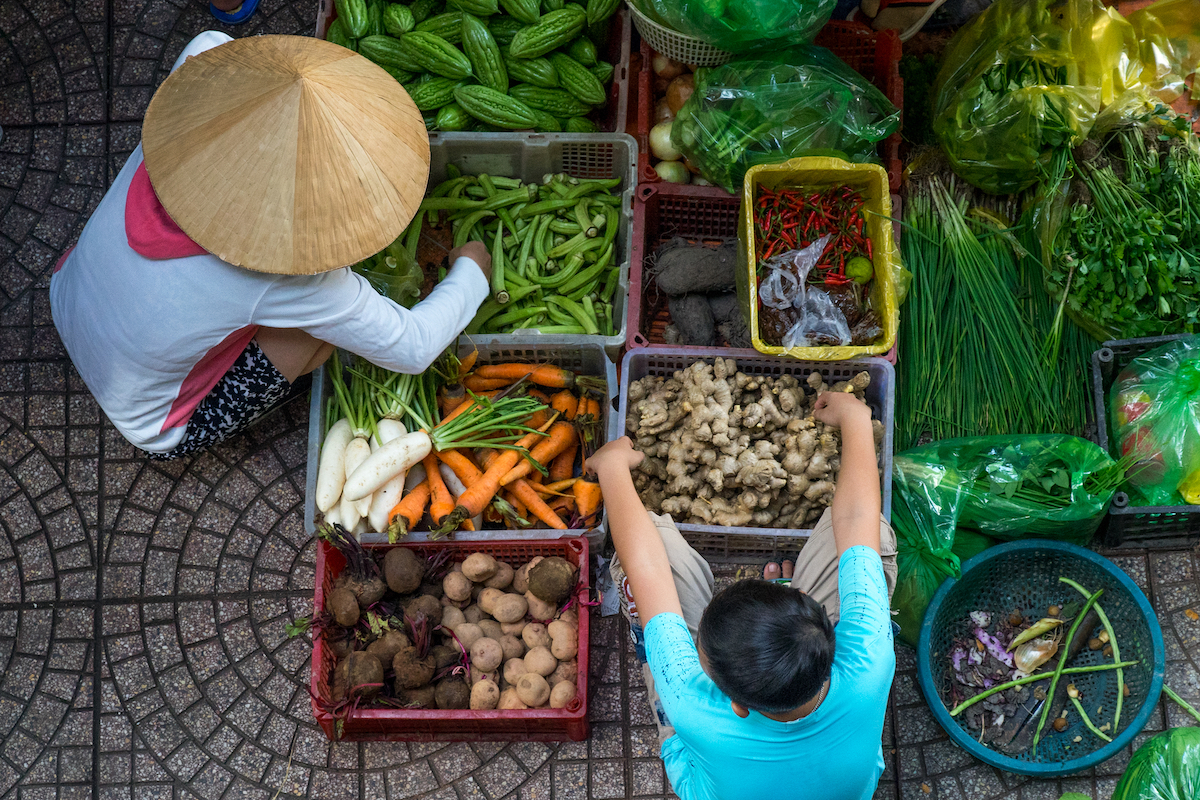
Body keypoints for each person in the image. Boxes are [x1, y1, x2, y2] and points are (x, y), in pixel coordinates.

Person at [50, 32, 491, 460]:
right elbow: (413, 348)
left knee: (300, 314)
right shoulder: (286, 280)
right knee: (316, 336)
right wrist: (472, 271)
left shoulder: (197, 67)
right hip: (152, 423)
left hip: (67, 293)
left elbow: (221, 48)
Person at [589, 390, 898, 800]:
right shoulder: (868, 659)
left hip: (707, 770)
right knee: (871, 537)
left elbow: (647, 570)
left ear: (735, 704)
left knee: (652, 557)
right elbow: (858, 517)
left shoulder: (694, 708)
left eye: (700, 652)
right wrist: (856, 420)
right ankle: (779, 597)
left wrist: (612, 469)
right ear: (829, 635)